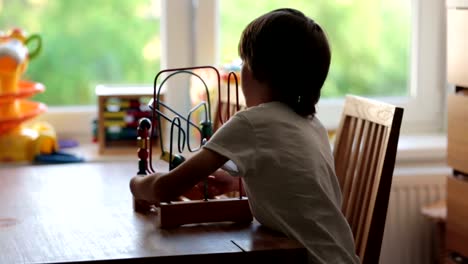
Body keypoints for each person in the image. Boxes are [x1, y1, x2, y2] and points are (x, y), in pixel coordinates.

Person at [130, 8, 360, 264]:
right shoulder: (311, 123)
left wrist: (137, 184)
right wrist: (235, 184)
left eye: (244, 63)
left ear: (255, 72)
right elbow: (299, 188)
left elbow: (166, 187)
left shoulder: (251, 122)